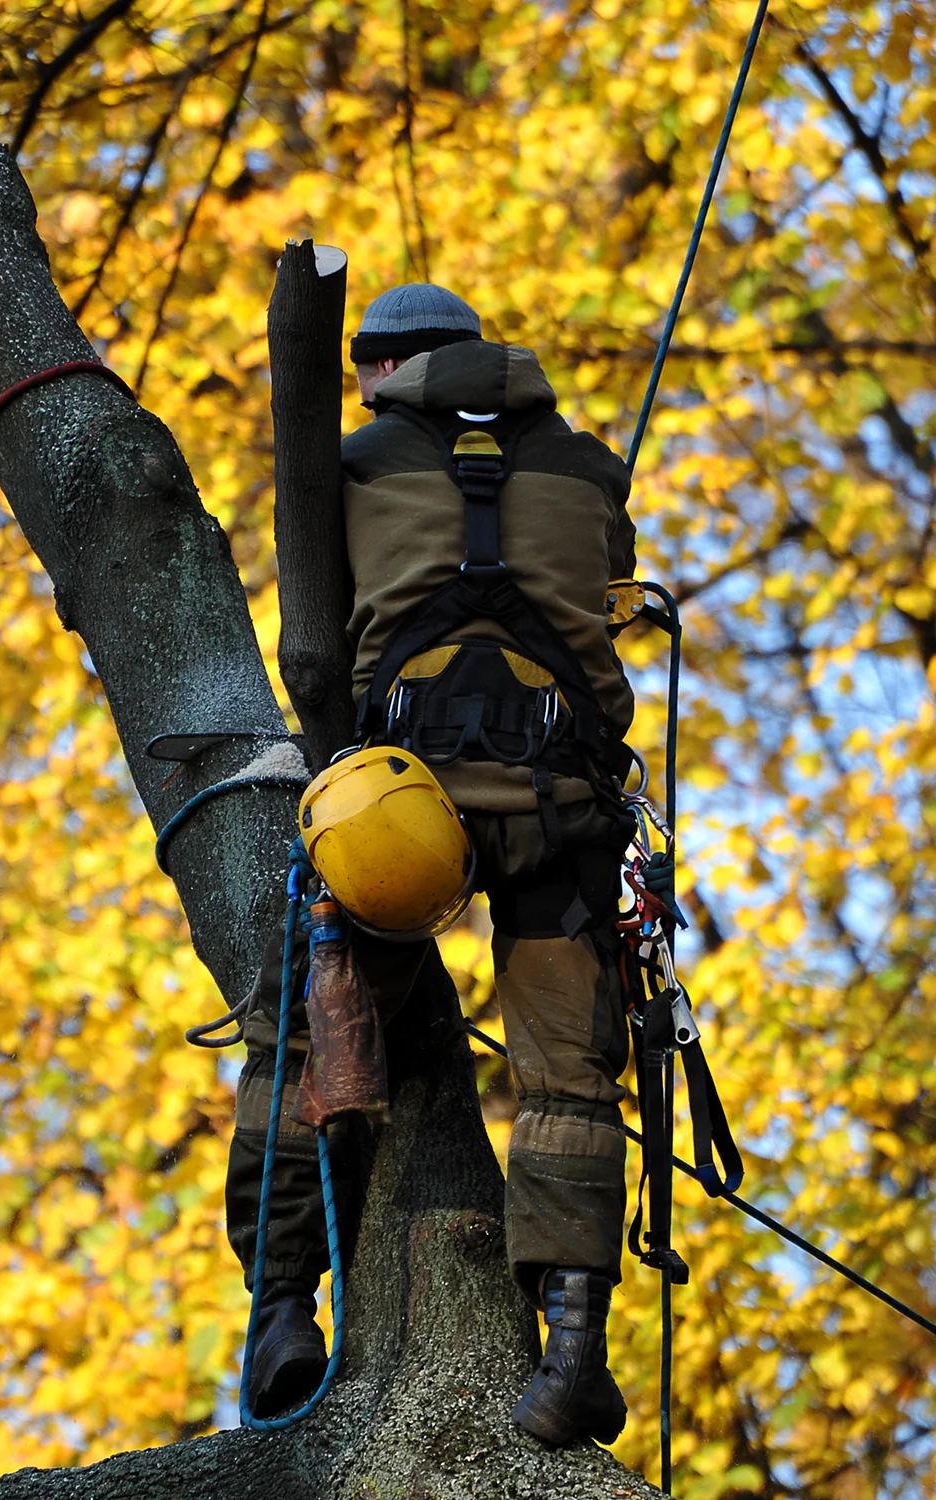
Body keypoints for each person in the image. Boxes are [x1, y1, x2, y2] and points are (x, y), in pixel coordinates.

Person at [225, 283, 638, 1445]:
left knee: (301, 1043)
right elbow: (607, 595)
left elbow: (320, 640)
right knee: (569, 1076)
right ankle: (574, 1358)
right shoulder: (588, 468)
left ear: (389, 369)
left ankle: (282, 1308)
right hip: (560, 805)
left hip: (400, 815)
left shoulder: (345, 467)